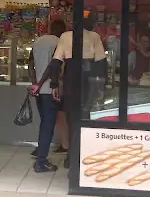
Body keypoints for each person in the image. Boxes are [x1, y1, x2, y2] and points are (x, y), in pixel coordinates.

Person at [30, 11, 107, 169]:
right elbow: (102, 65)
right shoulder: (94, 37)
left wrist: (53, 84)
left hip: (71, 81)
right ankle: (82, 156)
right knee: (85, 118)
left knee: (71, 120)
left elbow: (55, 63)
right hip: (87, 82)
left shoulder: (65, 37)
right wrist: (101, 87)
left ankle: (71, 158)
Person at [27, 19, 66, 173]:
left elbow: (30, 64)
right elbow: (53, 66)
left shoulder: (38, 41)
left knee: (45, 124)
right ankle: (41, 162)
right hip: (50, 90)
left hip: (38, 91)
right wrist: (43, 82)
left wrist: (35, 83)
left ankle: (41, 155)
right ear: (62, 31)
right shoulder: (59, 42)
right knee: (48, 126)